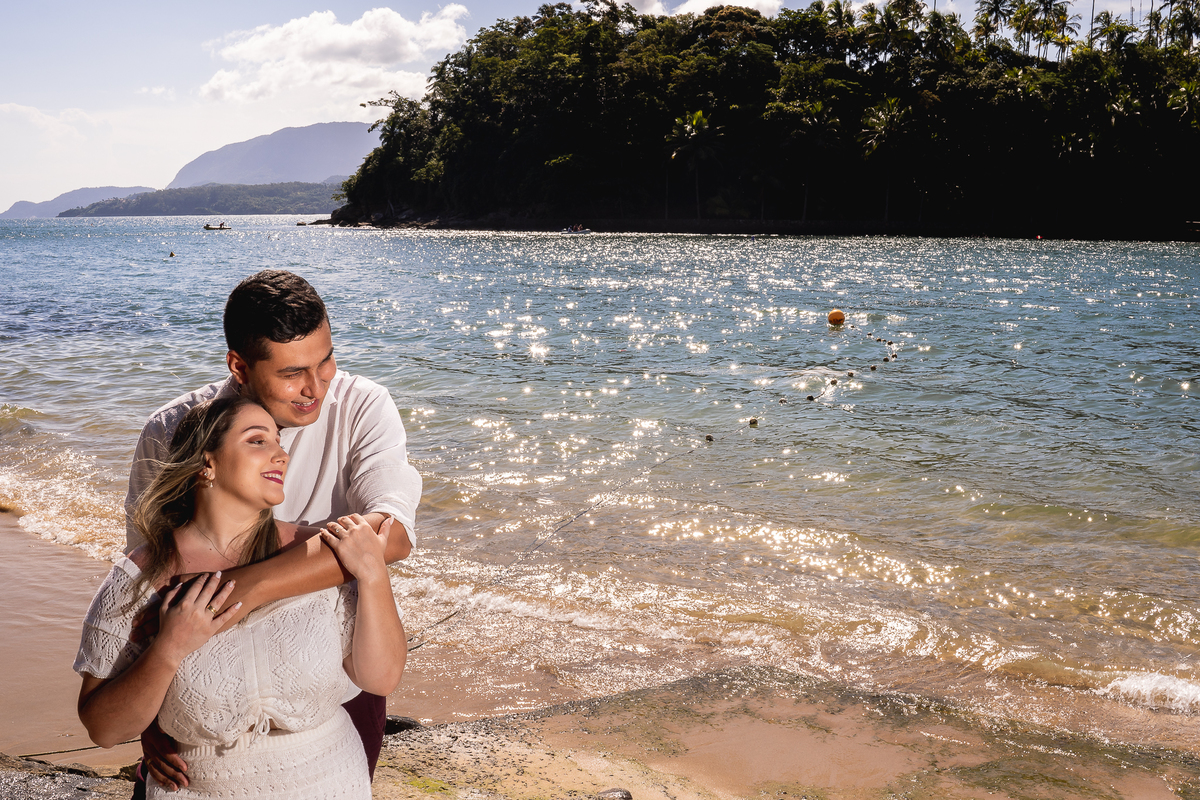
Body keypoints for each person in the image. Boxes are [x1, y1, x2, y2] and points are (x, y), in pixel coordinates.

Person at [123, 270, 421, 791]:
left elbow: (389, 535)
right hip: (197, 677)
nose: (316, 388)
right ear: (239, 365)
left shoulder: (362, 405)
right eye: (292, 373)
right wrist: (147, 713)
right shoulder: (170, 430)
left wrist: (246, 587)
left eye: (326, 359)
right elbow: (143, 579)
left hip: (334, 666)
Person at [76, 395, 406, 798]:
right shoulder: (139, 578)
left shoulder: (318, 555)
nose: (281, 455)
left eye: (280, 443)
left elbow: (381, 677)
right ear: (206, 462)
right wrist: (167, 649)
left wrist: (372, 574)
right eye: (257, 441)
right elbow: (105, 729)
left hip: (331, 780)